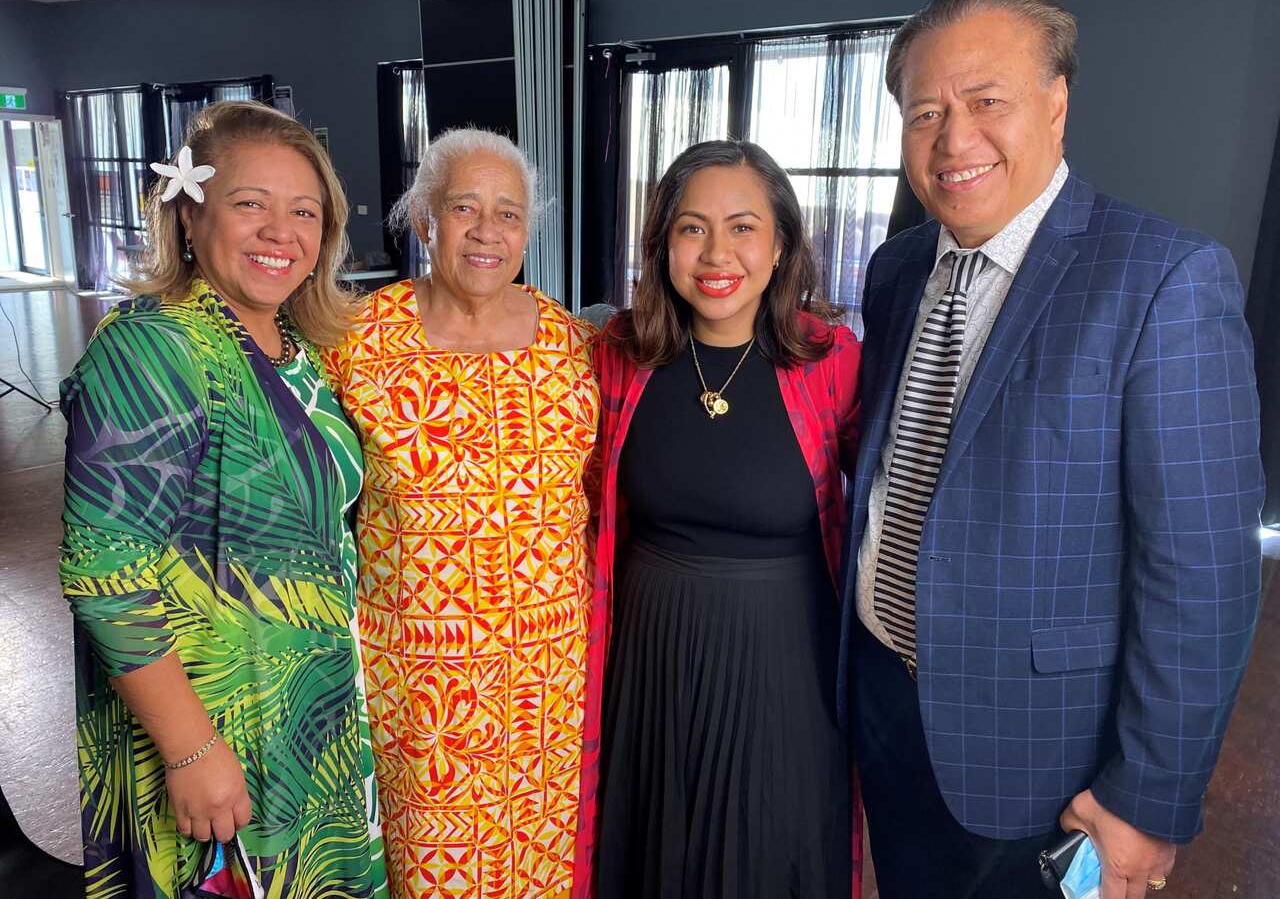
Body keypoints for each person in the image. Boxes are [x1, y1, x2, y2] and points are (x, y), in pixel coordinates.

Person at [837, 0, 1264, 899]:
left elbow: (1204, 572)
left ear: (1057, 102)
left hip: (1043, 755)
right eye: (926, 112)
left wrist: (1149, 798)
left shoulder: (1164, 280)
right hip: (884, 703)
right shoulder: (897, 267)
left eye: (987, 102)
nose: (954, 139)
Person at [59, 100, 387, 898]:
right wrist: (191, 747)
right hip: (217, 723)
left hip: (305, 720)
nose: (281, 232)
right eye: (251, 204)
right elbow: (106, 574)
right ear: (188, 216)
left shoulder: (297, 349)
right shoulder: (156, 345)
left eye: (303, 211)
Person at [575, 140, 863, 899]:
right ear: (664, 243)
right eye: (692, 227)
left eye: (742, 227)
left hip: (783, 662)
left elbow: (895, 497)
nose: (716, 252)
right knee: (650, 856)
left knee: (767, 854)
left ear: (780, 247)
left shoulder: (829, 361)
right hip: (648, 656)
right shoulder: (618, 354)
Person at [324, 128, 599, 899]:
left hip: (549, 683)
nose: (487, 231)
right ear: (424, 221)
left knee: (545, 871)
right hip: (422, 692)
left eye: (508, 213)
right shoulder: (355, 343)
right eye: (463, 207)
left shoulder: (573, 346)